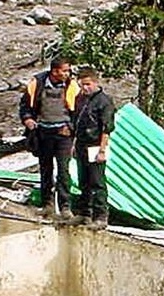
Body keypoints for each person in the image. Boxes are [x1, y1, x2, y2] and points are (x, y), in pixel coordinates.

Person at [19, 58, 80, 220]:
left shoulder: (72, 86)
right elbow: (25, 105)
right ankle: (47, 205)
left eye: (68, 70)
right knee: (45, 170)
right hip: (43, 132)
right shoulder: (37, 84)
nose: (67, 74)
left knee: (63, 171)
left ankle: (65, 206)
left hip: (64, 134)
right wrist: (28, 119)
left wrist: (71, 128)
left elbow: (80, 111)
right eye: (64, 70)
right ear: (54, 71)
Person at [71, 67, 115, 229]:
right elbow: (76, 122)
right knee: (84, 181)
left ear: (95, 82)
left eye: (87, 84)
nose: (84, 88)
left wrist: (102, 150)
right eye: (82, 85)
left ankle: (101, 216)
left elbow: (107, 128)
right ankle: (84, 214)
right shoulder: (80, 99)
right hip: (82, 144)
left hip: (96, 145)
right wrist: (74, 144)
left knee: (97, 182)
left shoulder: (104, 101)